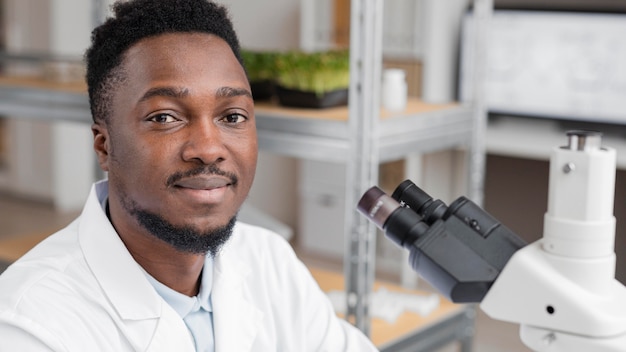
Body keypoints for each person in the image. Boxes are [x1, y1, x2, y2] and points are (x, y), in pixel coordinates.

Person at [0, 0, 378, 350]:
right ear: (104, 146)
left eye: (232, 116)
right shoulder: (29, 324)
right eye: (164, 117)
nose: (209, 148)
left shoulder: (268, 261)